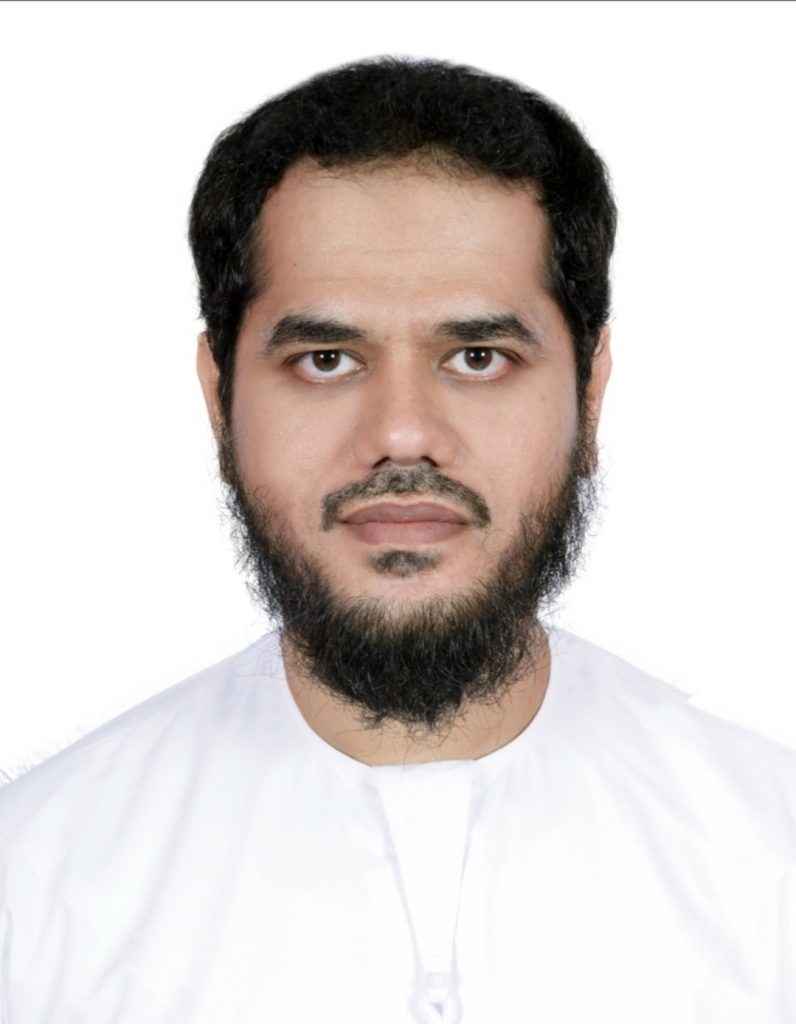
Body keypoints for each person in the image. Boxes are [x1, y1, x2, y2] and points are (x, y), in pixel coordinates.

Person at [1, 56, 794, 1024]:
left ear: (589, 397)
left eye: (478, 357)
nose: (404, 434)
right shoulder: (35, 888)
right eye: (326, 359)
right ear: (220, 401)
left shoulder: (771, 865)